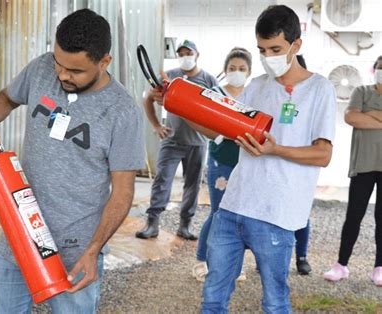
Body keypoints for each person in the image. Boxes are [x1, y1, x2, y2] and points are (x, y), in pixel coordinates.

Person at [0, 9, 145, 313]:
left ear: (104, 61)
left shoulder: (123, 112)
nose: (62, 75)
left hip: (75, 248)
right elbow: (5, 98)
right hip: (19, 233)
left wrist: (93, 250)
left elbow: (123, 192)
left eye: (75, 71)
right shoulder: (42, 68)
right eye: (59, 64)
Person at [201, 5, 337, 313]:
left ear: (296, 45)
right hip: (233, 208)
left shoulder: (319, 89)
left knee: (275, 302)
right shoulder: (257, 86)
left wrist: (275, 150)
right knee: (212, 299)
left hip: (276, 216)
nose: (268, 56)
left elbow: (323, 154)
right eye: (262, 50)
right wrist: (176, 102)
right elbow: (218, 130)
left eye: (275, 49)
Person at [135, 40, 218, 240]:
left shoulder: (208, 79)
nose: (184, 57)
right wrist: (156, 126)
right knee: (162, 179)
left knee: (193, 184)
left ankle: (185, 226)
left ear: (197, 54)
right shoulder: (169, 76)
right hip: (172, 140)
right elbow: (148, 99)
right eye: (181, 53)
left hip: (197, 142)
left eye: (188, 53)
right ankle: (152, 224)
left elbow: (216, 108)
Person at [189, 47, 253, 282]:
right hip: (221, 162)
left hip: (246, 163)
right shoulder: (216, 93)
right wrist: (231, 130)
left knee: (240, 215)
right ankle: (201, 259)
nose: (237, 72)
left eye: (242, 69)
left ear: (249, 72)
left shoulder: (252, 95)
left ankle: (234, 264)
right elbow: (208, 125)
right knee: (219, 213)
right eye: (232, 69)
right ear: (225, 71)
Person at [323, 55, 382, 286]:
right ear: (374, 69)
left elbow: (361, 117)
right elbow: (351, 117)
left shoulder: (366, 100)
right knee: (353, 216)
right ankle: (341, 264)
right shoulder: (361, 91)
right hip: (363, 165)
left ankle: (379, 266)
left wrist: (370, 116)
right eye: (380, 67)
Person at [293, 54, 312, 276]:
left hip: (301, 164)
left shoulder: (311, 96)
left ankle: (301, 256)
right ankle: (264, 257)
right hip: (273, 162)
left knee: (301, 214)